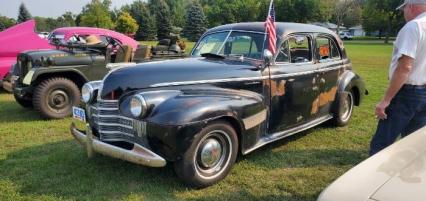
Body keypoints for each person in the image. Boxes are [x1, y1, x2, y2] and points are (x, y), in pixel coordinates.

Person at [370, 0, 426, 156]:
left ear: (411, 6)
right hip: (423, 92)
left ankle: (374, 177)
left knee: (382, 142)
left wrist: (386, 100)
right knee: (413, 142)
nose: (404, 14)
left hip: (407, 93)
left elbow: (404, 67)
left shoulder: (413, 27)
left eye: (404, 9)